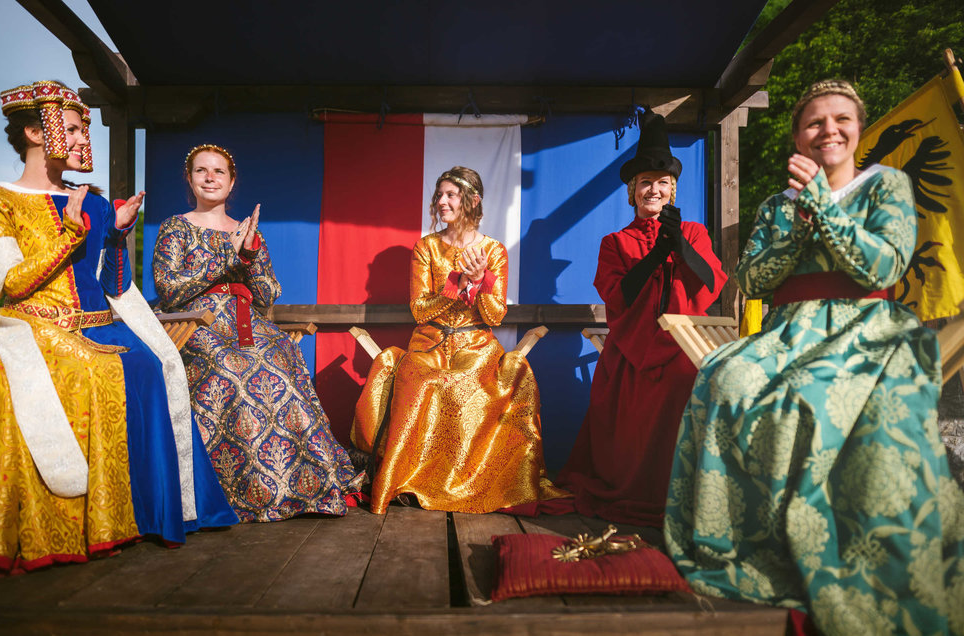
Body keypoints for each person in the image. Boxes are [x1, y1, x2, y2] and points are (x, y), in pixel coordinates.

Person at [664, 80, 964, 635]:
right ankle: (742, 538)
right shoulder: (776, 205)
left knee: (814, 393)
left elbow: (884, 267)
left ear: (858, 129)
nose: (829, 129)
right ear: (798, 138)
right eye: (815, 122)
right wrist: (797, 228)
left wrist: (824, 207)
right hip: (788, 330)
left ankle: (845, 542)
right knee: (725, 376)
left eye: (841, 119)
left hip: (865, 326)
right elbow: (751, 280)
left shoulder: (886, 185)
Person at [0, 81, 237, 582]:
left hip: (102, 323)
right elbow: (11, 285)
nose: (79, 139)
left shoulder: (92, 202)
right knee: (95, 372)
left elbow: (113, 283)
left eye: (81, 130)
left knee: (155, 366)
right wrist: (69, 236)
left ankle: (155, 514)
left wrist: (116, 234)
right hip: (37, 325)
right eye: (69, 129)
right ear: (34, 133)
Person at [152, 144, 364, 522]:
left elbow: (267, 295)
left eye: (219, 171)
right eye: (201, 171)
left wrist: (249, 255)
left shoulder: (248, 231)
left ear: (232, 181)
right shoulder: (175, 227)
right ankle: (238, 488)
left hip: (247, 322)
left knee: (281, 355)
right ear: (189, 178)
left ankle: (300, 482)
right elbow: (169, 289)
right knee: (229, 367)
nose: (210, 178)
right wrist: (226, 256)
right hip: (196, 324)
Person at [351, 166, 568, 514]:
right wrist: (457, 285)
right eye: (439, 195)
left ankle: (467, 485)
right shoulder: (426, 247)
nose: (441, 201)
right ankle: (411, 481)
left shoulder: (494, 251)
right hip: (429, 342)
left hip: (476, 346)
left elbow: (495, 316)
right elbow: (419, 310)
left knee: (468, 384)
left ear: (472, 200)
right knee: (420, 382)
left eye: (450, 194)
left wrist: (481, 282)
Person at [557, 108, 726, 527]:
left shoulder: (695, 232)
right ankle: (630, 488)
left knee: (684, 388)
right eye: (646, 183)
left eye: (662, 183)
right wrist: (655, 254)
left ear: (672, 191)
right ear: (633, 191)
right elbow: (619, 296)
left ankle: (680, 493)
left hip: (683, 348)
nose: (654, 190)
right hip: (630, 354)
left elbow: (711, 283)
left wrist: (679, 244)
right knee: (624, 403)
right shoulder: (614, 242)